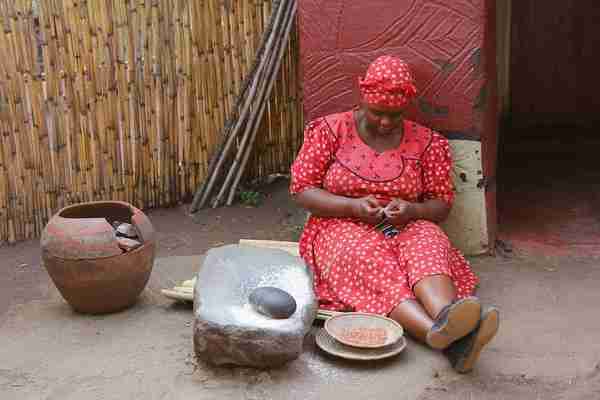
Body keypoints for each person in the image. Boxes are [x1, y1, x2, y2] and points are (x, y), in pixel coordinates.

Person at [290, 55, 499, 373]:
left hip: (406, 224)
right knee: (370, 258)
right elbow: (302, 189)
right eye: (378, 113)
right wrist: (353, 206)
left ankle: (448, 316)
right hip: (339, 225)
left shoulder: (428, 144)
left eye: (395, 115)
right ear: (363, 100)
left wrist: (412, 210)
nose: (386, 123)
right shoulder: (330, 131)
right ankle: (441, 336)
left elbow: (440, 204)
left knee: (427, 240)